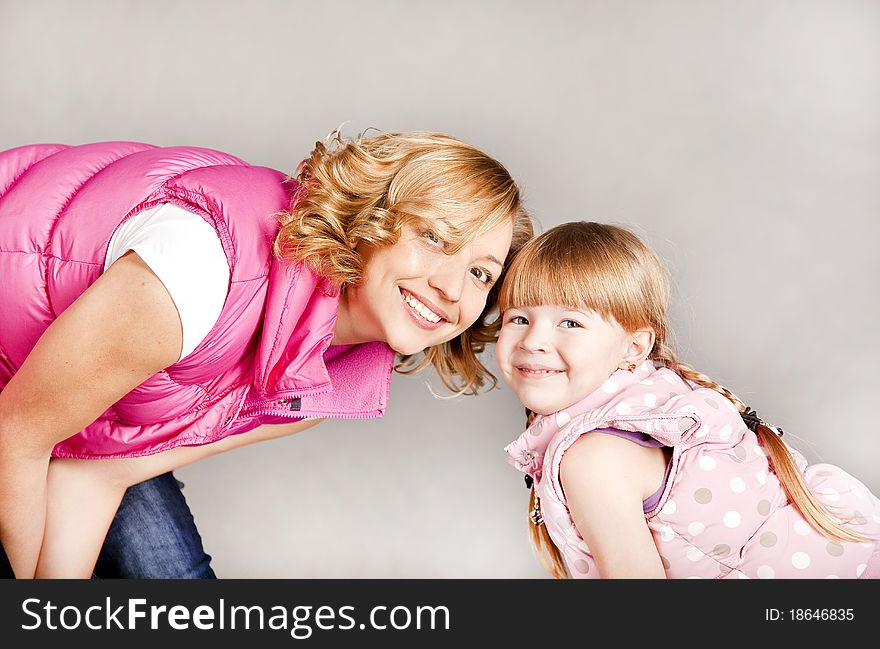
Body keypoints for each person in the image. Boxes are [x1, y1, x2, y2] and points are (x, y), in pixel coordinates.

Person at [0, 130, 534, 578]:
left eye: (481, 272)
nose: (453, 287)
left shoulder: (320, 388)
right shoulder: (200, 271)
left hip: (57, 412)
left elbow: (96, 471)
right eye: (436, 238)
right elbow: (16, 435)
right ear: (374, 216)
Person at [497, 221, 880, 579]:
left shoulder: (595, 460)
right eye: (518, 319)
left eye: (571, 323)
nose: (533, 341)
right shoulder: (660, 405)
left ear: (634, 347)